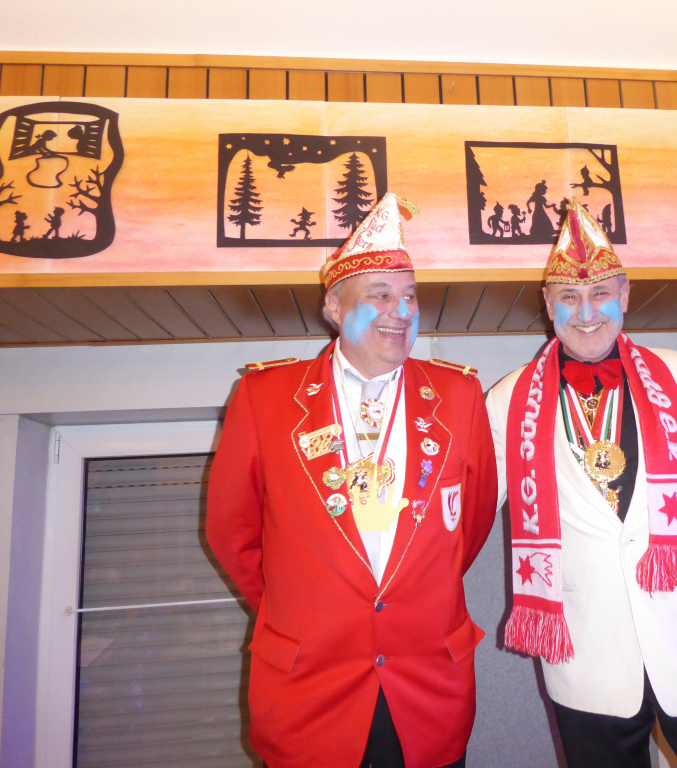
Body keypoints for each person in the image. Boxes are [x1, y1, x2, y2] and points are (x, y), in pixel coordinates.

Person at [207, 192, 498, 768]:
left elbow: (472, 521)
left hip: (429, 690)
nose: (401, 311)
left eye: (410, 296)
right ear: (335, 308)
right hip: (307, 690)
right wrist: (300, 606)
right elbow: (231, 533)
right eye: (380, 295)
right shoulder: (265, 397)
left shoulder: (459, 394)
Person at [486, 199, 677, 768]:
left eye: (600, 293)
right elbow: (466, 514)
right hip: (585, 663)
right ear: (547, 302)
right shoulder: (506, 398)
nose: (585, 312)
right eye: (568, 296)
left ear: (625, 295)